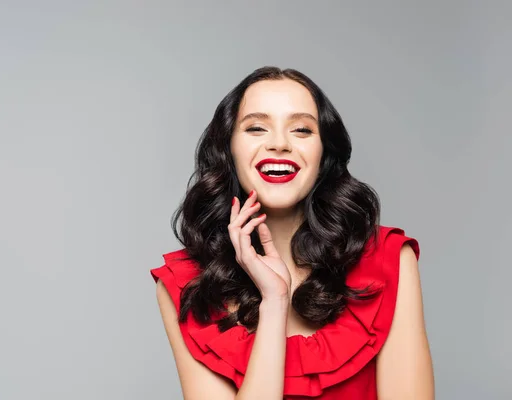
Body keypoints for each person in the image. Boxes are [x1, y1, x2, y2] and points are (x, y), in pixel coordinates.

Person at [149, 66, 434, 400]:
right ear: (229, 150)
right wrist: (274, 301)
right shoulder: (184, 285)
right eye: (256, 127)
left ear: (324, 154)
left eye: (301, 129)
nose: (280, 144)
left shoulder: (389, 261)